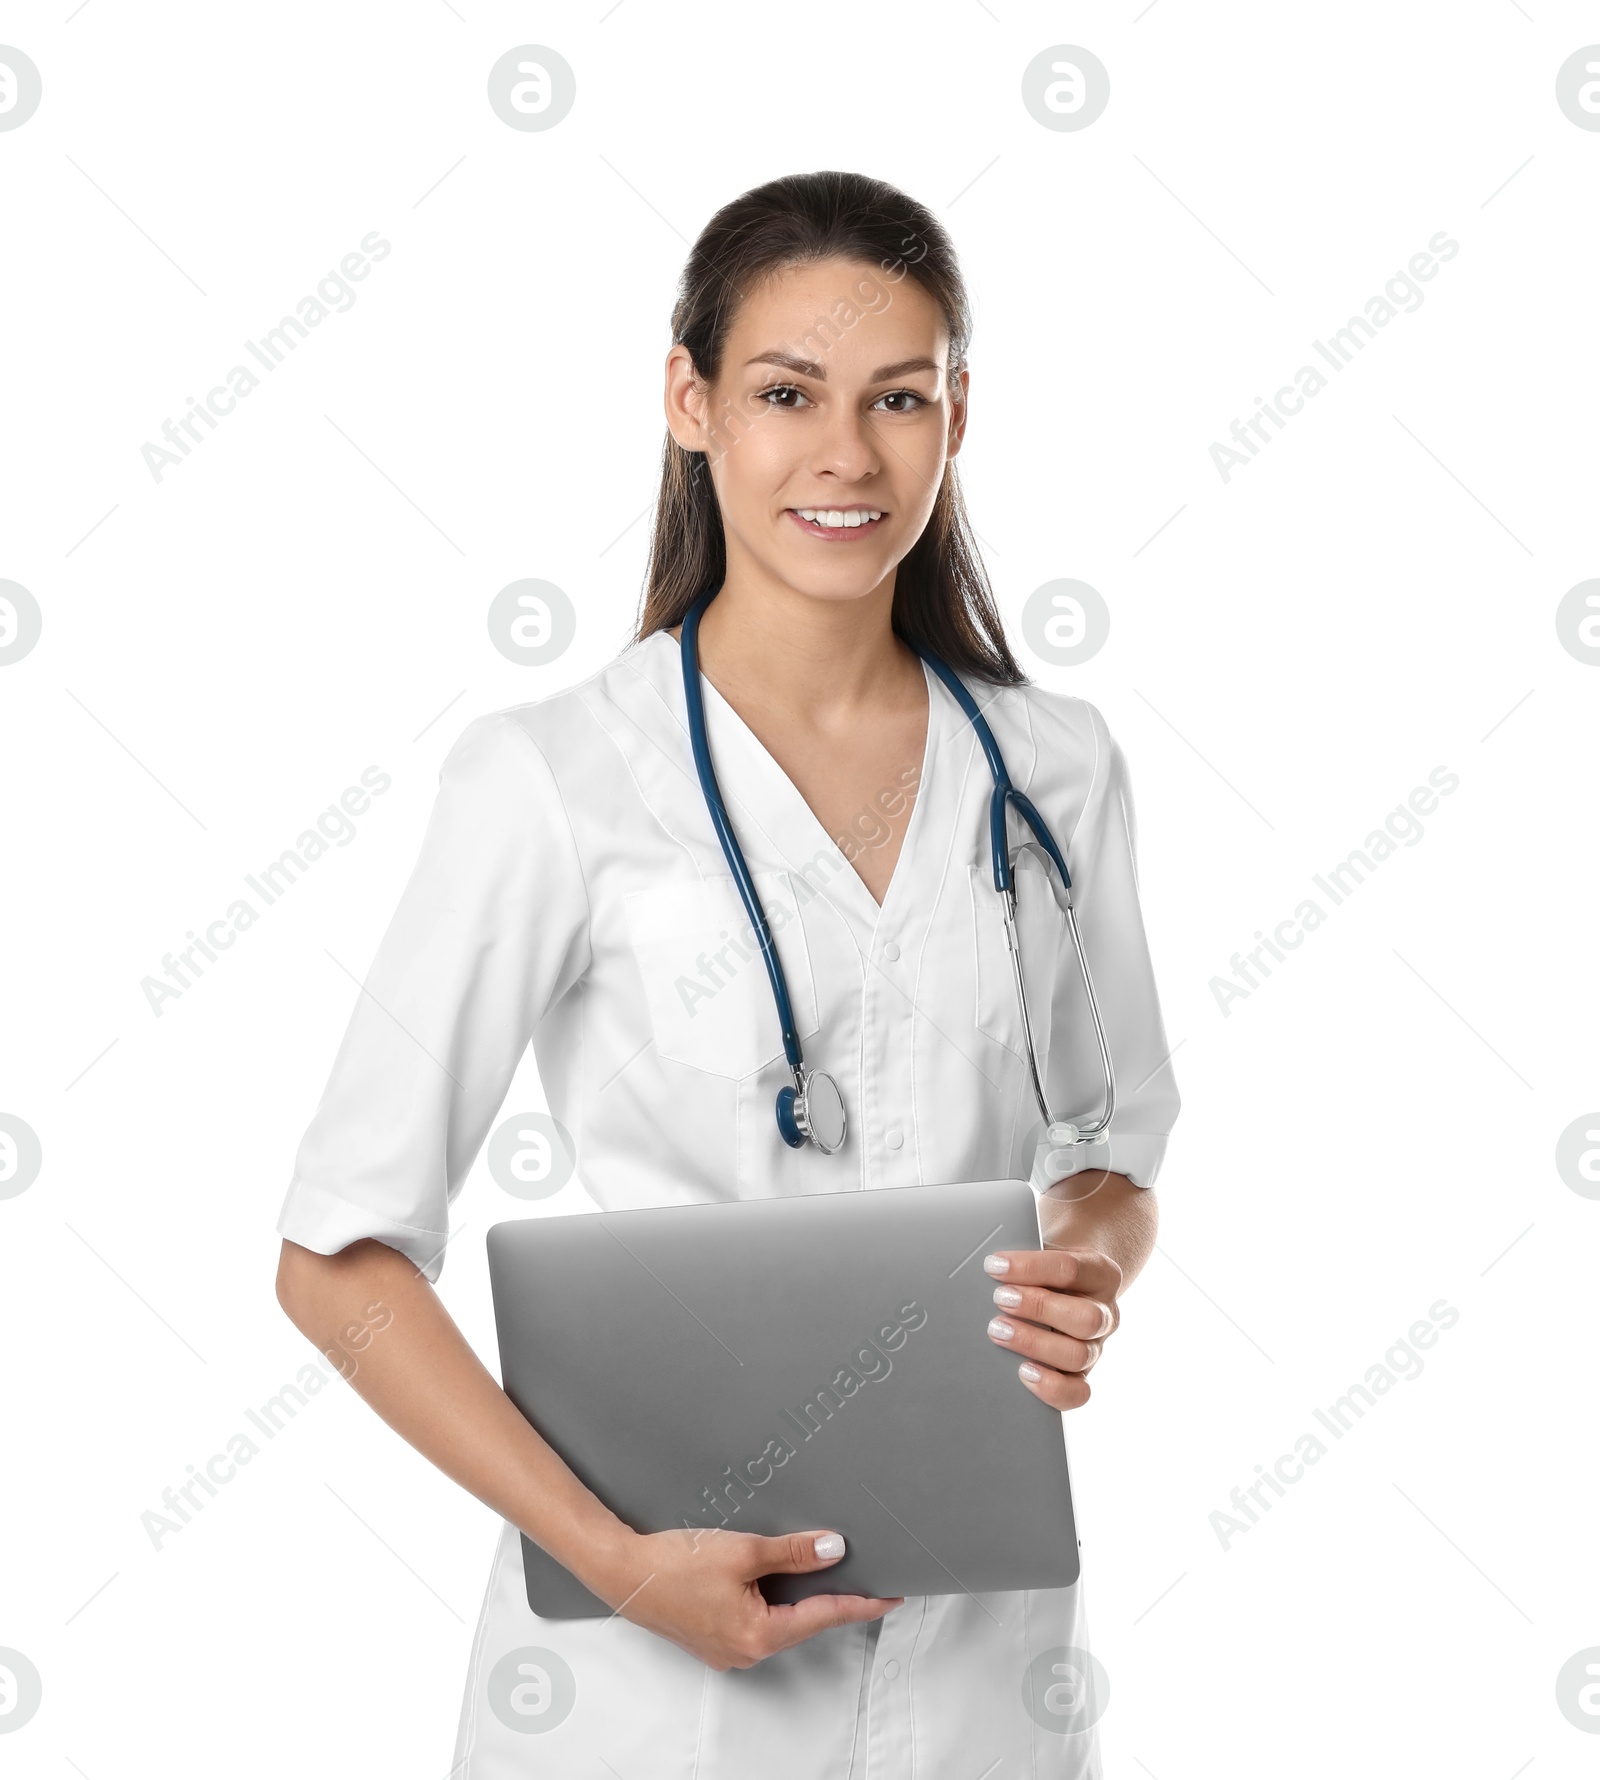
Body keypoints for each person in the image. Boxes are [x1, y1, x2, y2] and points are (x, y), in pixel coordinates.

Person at [274, 168, 1181, 1779]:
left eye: (899, 398)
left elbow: (1110, 1150)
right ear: (691, 404)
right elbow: (336, 1263)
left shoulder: (1057, 767)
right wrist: (620, 1565)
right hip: (653, 1689)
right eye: (786, 394)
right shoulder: (551, 779)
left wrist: (1091, 1267)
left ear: (957, 417)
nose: (847, 455)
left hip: (985, 1679)